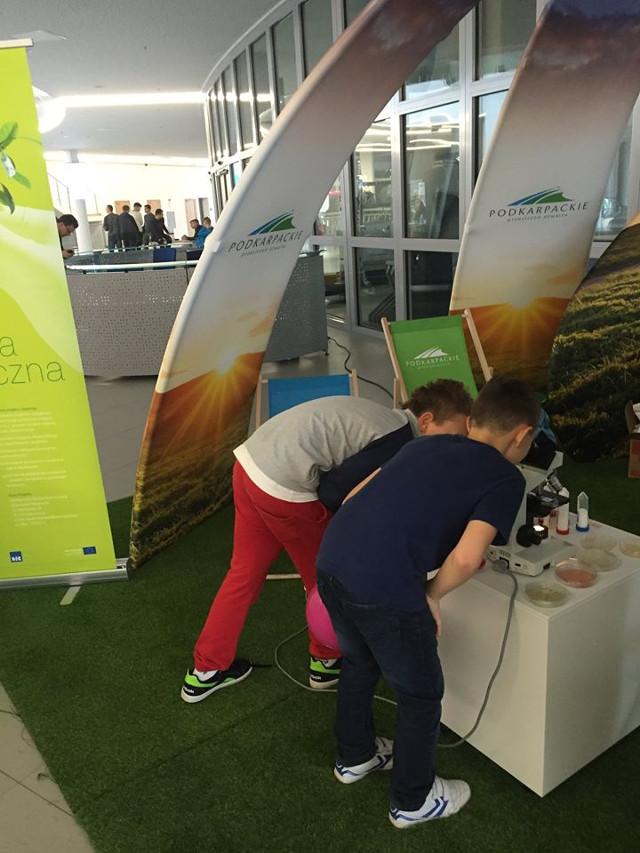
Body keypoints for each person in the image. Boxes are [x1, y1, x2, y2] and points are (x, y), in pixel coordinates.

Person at [315, 376, 537, 830]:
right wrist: (432, 595)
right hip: (384, 586)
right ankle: (412, 801)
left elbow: (355, 496)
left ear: (472, 420)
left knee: (359, 663)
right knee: (420, 693)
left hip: (331, 561)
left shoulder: (422, 444)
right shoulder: (505, 477)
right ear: (522, 435)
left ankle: (354, 758)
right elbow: (468, 557)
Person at [180, 380, 473, 704]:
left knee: (244, 572)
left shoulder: (382, 418)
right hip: (283, 485)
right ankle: (325, 661)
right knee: (325, 578)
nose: (456, 446)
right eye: (456, 435)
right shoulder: (399, 439)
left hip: (250, 466)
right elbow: (334, 494)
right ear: (426, 420)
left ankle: (205, 670)